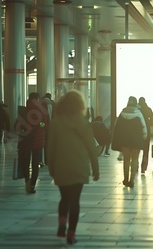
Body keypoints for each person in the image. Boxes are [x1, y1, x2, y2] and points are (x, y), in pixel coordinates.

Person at [47, 90, 100, 245]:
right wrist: (96, 170)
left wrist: (51, 167)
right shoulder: (83, 123)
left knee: (64, 198)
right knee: (75, 201)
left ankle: (62, 224)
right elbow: (92, 148)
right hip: (79, 167)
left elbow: (50, 147)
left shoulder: (56, 122)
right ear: (80, 105)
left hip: (61, 167)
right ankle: (71, 234)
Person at [112, 96, 147, 187]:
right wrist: (143, 138)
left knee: (126, 160)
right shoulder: (139, 114)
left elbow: (116, 127)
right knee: (135, 159)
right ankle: (132, 180)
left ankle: (125, 179)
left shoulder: (122, 113)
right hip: (136, 141)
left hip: (124, 141)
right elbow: (144, 128)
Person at [20, 92, 48, 194]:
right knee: (35, 164)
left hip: (25, 140)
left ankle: (27, 180)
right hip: (38, 140)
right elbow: (44, 124)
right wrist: (38, 126)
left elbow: (17, 126)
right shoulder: (41, 110)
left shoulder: (23, 110)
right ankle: (32, 185)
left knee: (25, 162)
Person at [138, 97, 153, 174]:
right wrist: (148, 123)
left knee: (136, 150)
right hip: (147, 131)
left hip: (137, 132)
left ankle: (135, 165)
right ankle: (143, 168)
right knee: (146, 151)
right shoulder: (148, 109)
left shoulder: (137, 110)